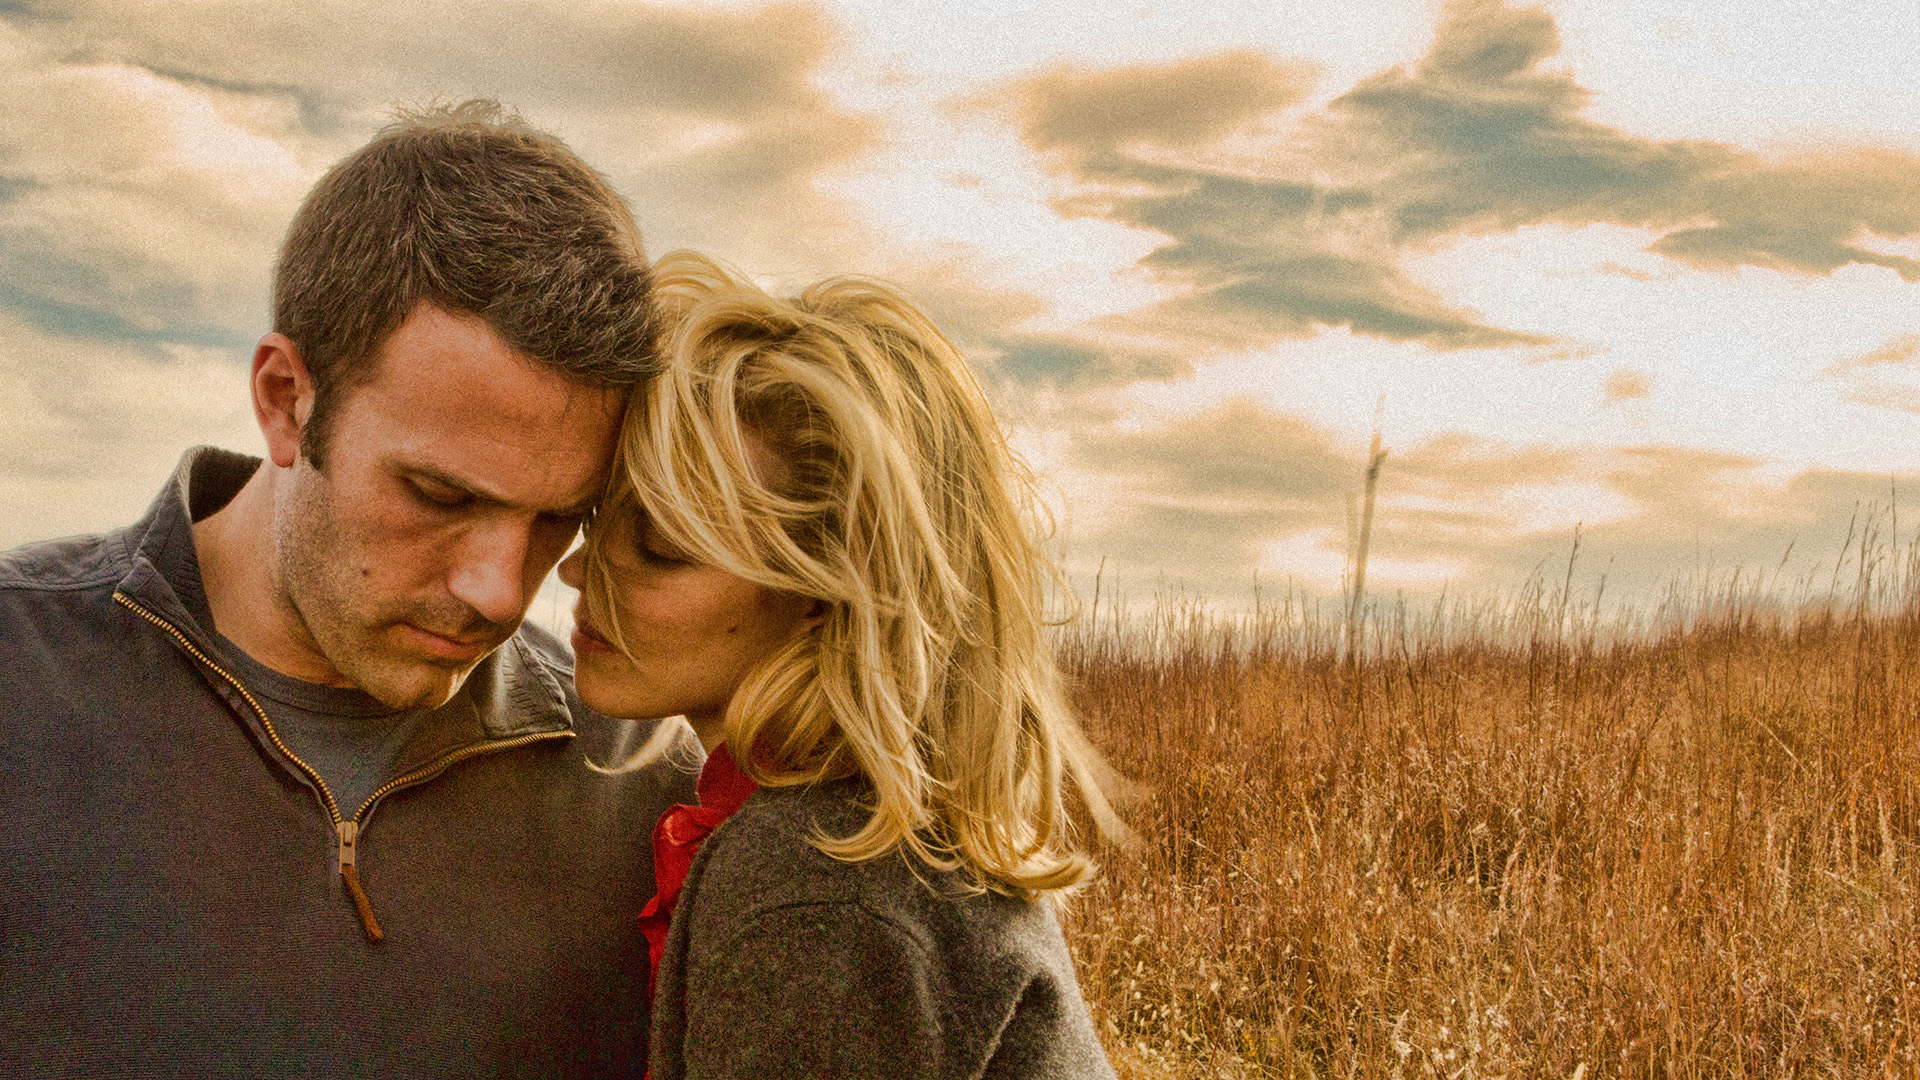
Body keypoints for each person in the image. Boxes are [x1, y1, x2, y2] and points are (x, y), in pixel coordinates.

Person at [0, 102, 698, 1077]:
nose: (500, 594)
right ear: (285, 400)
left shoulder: (650, 787)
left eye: (558, 519)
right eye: (440, 493)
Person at [557, 251, 1127, 1078]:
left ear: (827, 599)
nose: (580, 570)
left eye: (658, 545)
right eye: (602, 515)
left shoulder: (812, 889)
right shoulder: (871, 839)